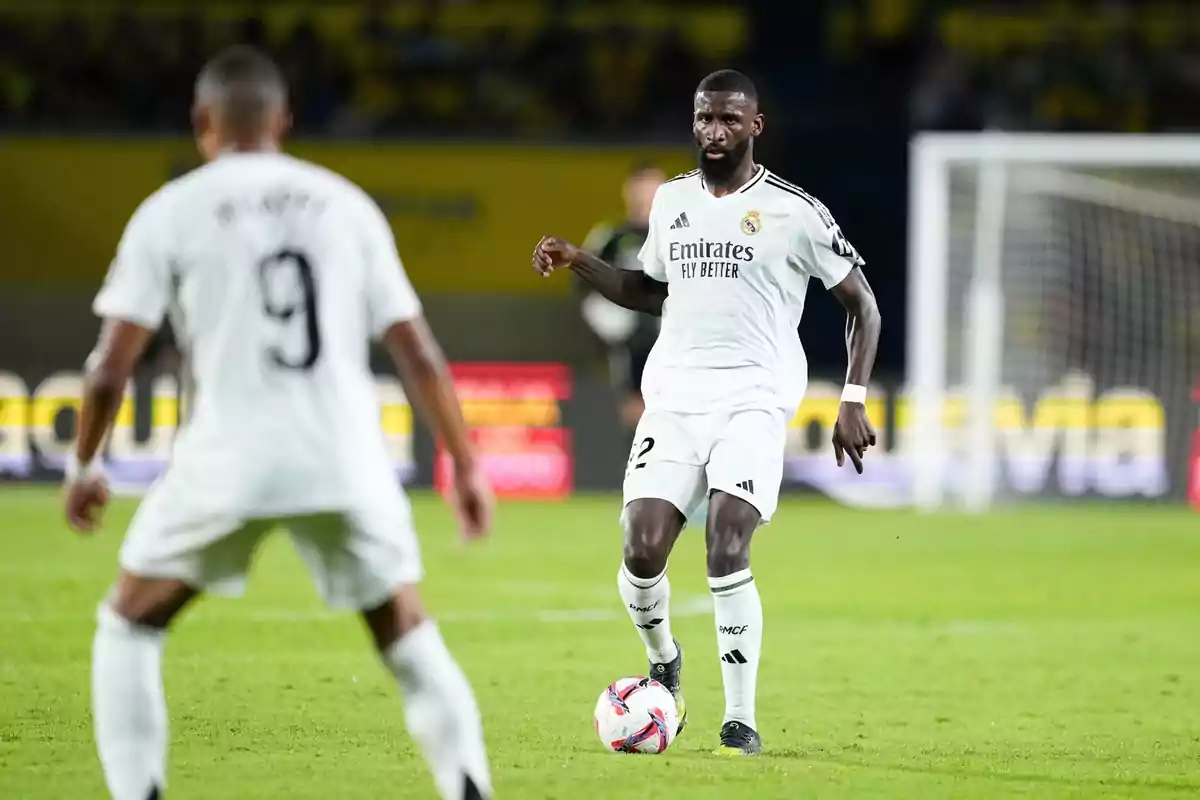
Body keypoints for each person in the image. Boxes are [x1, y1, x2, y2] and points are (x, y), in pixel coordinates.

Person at [64, 46, 493, 800]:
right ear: (284, 121)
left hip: (228, 456)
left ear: (202, 122)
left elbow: (107, 371)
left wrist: (83, 468)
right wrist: (466, 464)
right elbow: (418, 352)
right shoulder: (344, 203)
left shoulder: (172, 210)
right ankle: (470, 789)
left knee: (129, 623)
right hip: (344, 455)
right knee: (404, 629)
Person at [532, 69, 881, 756]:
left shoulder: (795, 210)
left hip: (753, 400)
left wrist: (852, 398)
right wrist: (579, 260)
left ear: (755, 126)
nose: (714, 132)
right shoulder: (670, 203)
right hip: (677, 400)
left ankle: (739, 719)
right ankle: (664, 660)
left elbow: (861, 304)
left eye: (728, 120)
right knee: (641, 548)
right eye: (703, 119)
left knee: (725, 543)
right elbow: (649, 289)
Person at [576, 164, 665, 429]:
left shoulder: (682, 235)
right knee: (638, 412)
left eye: (656, 187)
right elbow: (584, 287)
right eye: (644, 188)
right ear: (630, 191)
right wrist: (617, 324)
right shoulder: (612, 237)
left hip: (678, 342)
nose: (649, 196)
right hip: (632, 346)